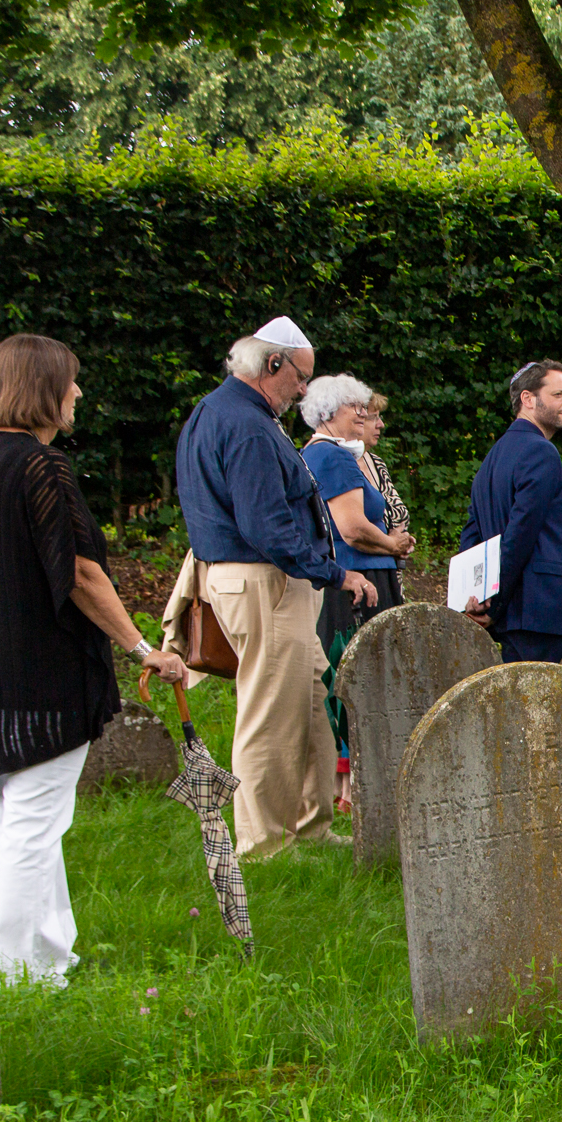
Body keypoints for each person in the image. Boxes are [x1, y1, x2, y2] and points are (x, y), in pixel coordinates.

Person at [0, 333, 187, 986]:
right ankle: (24, 977)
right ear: (44, 387)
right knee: (32, 825)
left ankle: (51, 955)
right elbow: (79, 572)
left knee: (27, 816)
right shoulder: (39, 466)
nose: (78, 392)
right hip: (40, 675)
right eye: (71, 380)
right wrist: (143, 648)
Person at [175, 316, 375, 859]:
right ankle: (263, 842)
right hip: (265, 579)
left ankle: (310, 824)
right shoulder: (245, 425)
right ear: (272, 364)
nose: (304, 390)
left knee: (309, 701)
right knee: (270, 713)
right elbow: (266, 525)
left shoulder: (217, 413)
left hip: (255, 577)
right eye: (300, 377)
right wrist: (336, 572)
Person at [301, 373, 417, 808]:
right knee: (359, 681)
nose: (366, 416)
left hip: (367, 576)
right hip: (357, 583)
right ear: (330, 413)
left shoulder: (334, 453)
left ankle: (358, 786)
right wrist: (393, 543)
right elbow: (351, 529)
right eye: (357, 409)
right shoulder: (331, 457)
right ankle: (357, 788)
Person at [460, 360, 562, 663]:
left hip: (514, 619)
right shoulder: (541, 451)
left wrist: (477, 601)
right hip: (543, 616)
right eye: (558, 395)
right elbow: (520, 534)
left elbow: (472, 536)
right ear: (528, 399)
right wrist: (496, 604)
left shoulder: (491, 459)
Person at [362, 390, 411, 557]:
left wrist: (404, 541)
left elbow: (399, 515)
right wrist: (391, 543)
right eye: (373, 417)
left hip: (391, 568)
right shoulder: (339, 464)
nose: (381, 424)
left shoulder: (377, 463)